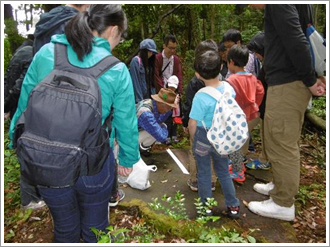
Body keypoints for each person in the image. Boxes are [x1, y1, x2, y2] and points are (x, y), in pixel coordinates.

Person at [9, 4, 140, 242]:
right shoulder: (116, 69)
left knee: (65, 227)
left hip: (46, 164)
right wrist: (129, 160)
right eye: (120, 38)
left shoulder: (47, 52)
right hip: (93, 165)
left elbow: (25, 103)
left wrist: (14, 140)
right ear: (113, 30)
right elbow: (126, 122)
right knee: (95, 228)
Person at [248, 4, 326, 221]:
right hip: (286, 80)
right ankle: (279, 185)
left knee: (282, 140)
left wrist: (310, 80)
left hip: (289, 82)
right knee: (276, 137)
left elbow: (297, 39)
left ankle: (283, 203)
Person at [188, 49, 240, 219]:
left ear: (197, 74)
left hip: (204, 136)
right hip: (222, 138)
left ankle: (206, 208)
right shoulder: (229, 88)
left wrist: (193, 138)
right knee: (223, 171)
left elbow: (193, 123)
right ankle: (233, 206)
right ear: (221, 68)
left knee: (203, 173)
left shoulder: (200, 97)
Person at [182, 40, 219, 192]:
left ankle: (195, 180)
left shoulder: (194, 83)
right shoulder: (221, 81)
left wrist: (185, 123)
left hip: (197, 126)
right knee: (214, 152)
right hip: (217, 126)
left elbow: (188, 105)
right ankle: (211, 180)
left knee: (195, 151)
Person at [226, 44, 264, 182]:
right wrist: (255, 105)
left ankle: (238, 172)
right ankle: (240, 162)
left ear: (231, 62)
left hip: (238, 118)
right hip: (253, 116)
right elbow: (260, 91)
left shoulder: (231, 80)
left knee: (235, 144)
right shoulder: (253, 77)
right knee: (244, 139)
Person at [245, 32, 272, 170]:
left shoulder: (270, 64)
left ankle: (265, 160)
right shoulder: (268, 62)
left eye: (256, 52)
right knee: (264, 134)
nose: (255, 55)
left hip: (266, 108)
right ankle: (265, 159)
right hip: (263, 107)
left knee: (267, 135)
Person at [154, 34, 183, 145]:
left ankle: (173, 135)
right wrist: (163, 93)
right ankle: (163, 136)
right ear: (164, 46)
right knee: (163, 113)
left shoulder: (175, 59)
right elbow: (156, 76)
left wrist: (178, 92)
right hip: (162, 92)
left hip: (172, 89)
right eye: (170, 47)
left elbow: (178, 75)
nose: (172, 50)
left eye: (174, 48)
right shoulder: (158, 58)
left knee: (174, 114)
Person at [137, 88, 178, 157]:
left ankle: (140, 150)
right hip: (122, 138)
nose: (170, 109)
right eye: (169, 107)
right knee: (155, 133)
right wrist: (164, 127)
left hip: (132, 132)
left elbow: (159, 121)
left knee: (156, 129)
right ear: (161, 103)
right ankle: (131, 151)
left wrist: (161, 125)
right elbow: (161, 137)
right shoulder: (146, 114)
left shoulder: (151, 103)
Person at [130, 38, 158, 103]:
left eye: (152, 52)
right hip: (139, 100)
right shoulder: (136, 61)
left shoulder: (149, 63)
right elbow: (135, 83)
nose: (151, 54)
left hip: (149, 98)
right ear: (143, 51)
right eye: (149, 51)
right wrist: (139, 101)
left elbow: (152, 83)